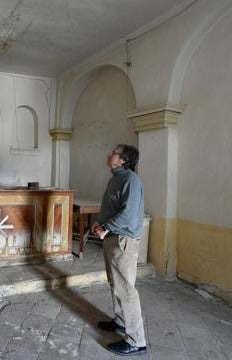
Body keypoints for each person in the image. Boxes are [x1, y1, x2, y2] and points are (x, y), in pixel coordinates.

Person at [91, 144, 147, 356]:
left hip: (123, 240)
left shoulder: (130, 179)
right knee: (115, 283)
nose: (109, 154)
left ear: (123, 160)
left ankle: (136, 341)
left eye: (113, 152)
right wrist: (99, 223)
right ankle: (121, 322)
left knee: (125, 289)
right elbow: (111, 207)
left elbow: (128, 214)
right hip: (112, 237)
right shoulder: (116, 177)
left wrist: (105, 227)